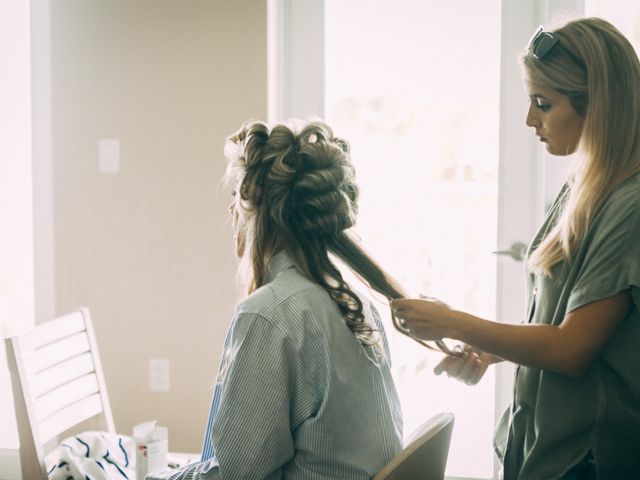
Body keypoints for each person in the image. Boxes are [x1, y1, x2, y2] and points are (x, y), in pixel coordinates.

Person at [391, 17, 640, 480]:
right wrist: (488, 350)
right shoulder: (585, 187)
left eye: (544, 104)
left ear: (598, 107)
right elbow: (559, 325)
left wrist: (450, 320)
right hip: (547, 445)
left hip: (587, 459)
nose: (530, 119)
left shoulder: (631, 205)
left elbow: (572, 349)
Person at [149, 119, 406, 480]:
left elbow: (237, 475)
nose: (230, 213)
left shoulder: (269, 314)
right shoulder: (357, 304)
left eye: (235, 198)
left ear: (256, 210)